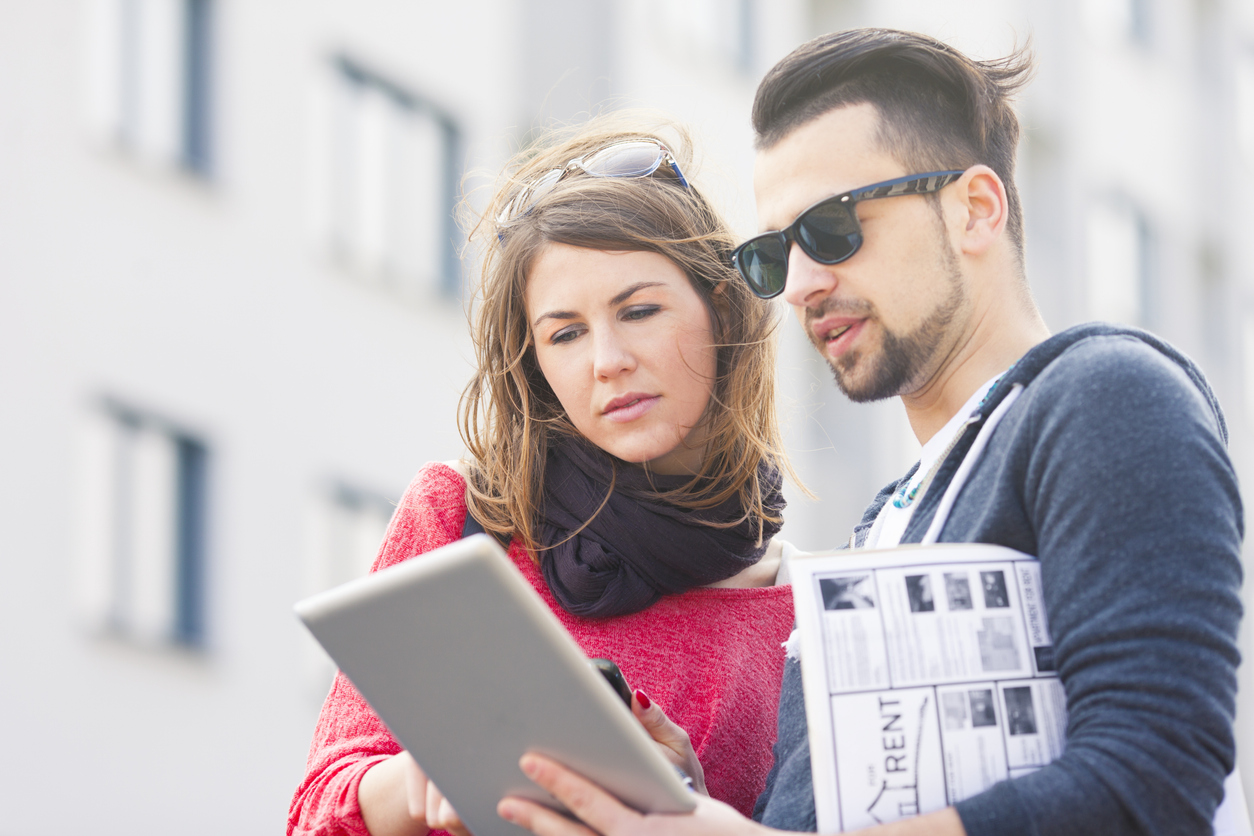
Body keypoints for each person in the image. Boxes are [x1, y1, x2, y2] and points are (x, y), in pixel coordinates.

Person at [497, 28, 1243, 836]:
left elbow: (1152, 785)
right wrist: (687, 796)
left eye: (833, 229)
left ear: (975, 208)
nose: (803, 286)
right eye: (778, 252)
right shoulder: (893, 519)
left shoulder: (1102, 397)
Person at [287, 115, 801, 836]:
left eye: (640, 310)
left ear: (719, 307)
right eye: (565, 333)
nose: (607, 360)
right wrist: (424, 777)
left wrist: (685, 802)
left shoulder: (799, 608)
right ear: (535, 363)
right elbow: (314, 811)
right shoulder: (466, 516)